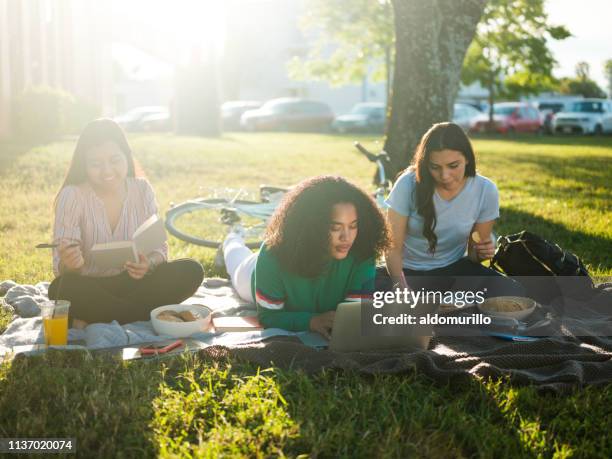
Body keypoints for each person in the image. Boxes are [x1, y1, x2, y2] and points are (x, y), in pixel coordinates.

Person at [48, 118, 203, 326]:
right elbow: (64, 270)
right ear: (84, 165)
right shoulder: (72, 196)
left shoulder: (142, 189)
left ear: (126, 157)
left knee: (191, 270)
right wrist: (71, 263)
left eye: (115, 160)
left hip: (136, 283)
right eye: (96, 164)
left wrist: (148, 265)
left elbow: (159, 249)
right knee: (63, 288)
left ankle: (103, 316)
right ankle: (142, 314)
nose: (107, 171)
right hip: (92, 287)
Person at [222, 175, 389, 339]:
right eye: (335, 227)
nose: (346, 237)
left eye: (353, 226)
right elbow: (269, 317)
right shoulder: (272, 255)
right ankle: (233, 235)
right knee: (235, 254)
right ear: (311, 226)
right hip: (252, 272)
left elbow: (353, 314)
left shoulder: (363, 252)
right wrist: (312, 321)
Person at [384, 122, 524, 299]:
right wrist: (401, 288)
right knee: (362, 296)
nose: (444, 176)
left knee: (513, 292)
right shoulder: (407, 184)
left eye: (453, 165)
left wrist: (482, 252)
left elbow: (473, 256)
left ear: (467, 158)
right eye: (435, 167)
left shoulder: (485, 190)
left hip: (454, 269)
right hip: (406, 272)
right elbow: (391, 247)